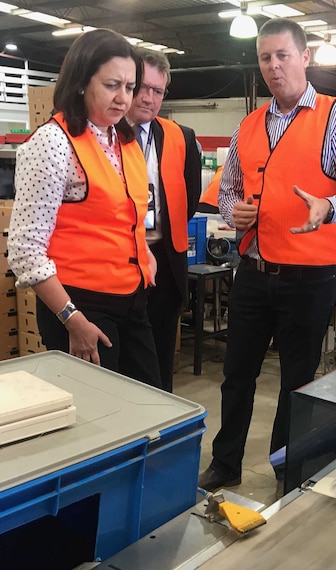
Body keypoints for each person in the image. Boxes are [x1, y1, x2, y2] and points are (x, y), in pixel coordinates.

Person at [197, 18, 336, 492]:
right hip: (254, 272)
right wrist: (232, 211)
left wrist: (330, 206)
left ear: (305, 57)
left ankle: (287, 469)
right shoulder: (249, 125)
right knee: (236, 374)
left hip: (310, 276)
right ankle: (226, 461)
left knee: (297, 383)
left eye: (283, 55)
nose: (274, 66)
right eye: (265, 58)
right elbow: (228, 192)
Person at [7, 29, 162, 388]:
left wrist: (144, 253)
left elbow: (132, 212)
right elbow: (25, 250)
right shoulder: (52, 144)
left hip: (132, 298)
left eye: (129, 86)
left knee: (149, 404)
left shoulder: (125, 140)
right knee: (98, 420)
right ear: (80, 82)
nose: (123, 98)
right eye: (112, 85)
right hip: (81, 307)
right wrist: (71, 319)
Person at [125, 48, 202, 393]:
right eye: (141, 87)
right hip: (120, 263)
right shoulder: (105, 133)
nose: (148, 97)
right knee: (123, 363)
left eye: (157, 91)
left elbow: (189, 197)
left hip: (165, 267)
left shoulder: (180, 136)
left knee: (159, 365)